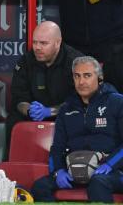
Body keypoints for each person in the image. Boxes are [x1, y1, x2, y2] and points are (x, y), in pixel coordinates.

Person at [30, 56, 123, 202]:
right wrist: (58, 171)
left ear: (99, 77)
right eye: (77, 76)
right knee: (40, 186)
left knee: (98, 183)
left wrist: (110, 164)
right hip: (75, 169)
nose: (81, 82)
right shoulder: (66, 109)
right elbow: (57, 148)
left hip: (113, 171)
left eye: (87, 75)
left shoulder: (117, 102)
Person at [7, 21, 83, 153]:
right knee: (14, 119)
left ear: (57, 43)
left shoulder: (76, 62)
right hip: (33, 114)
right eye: (35, 42)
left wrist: (49, 111)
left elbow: (81, 100)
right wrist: (29, 110)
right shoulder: (26, 61)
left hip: (65, 112)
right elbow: (18, 97)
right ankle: (11, 165)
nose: (37, 47)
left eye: (43, 43)